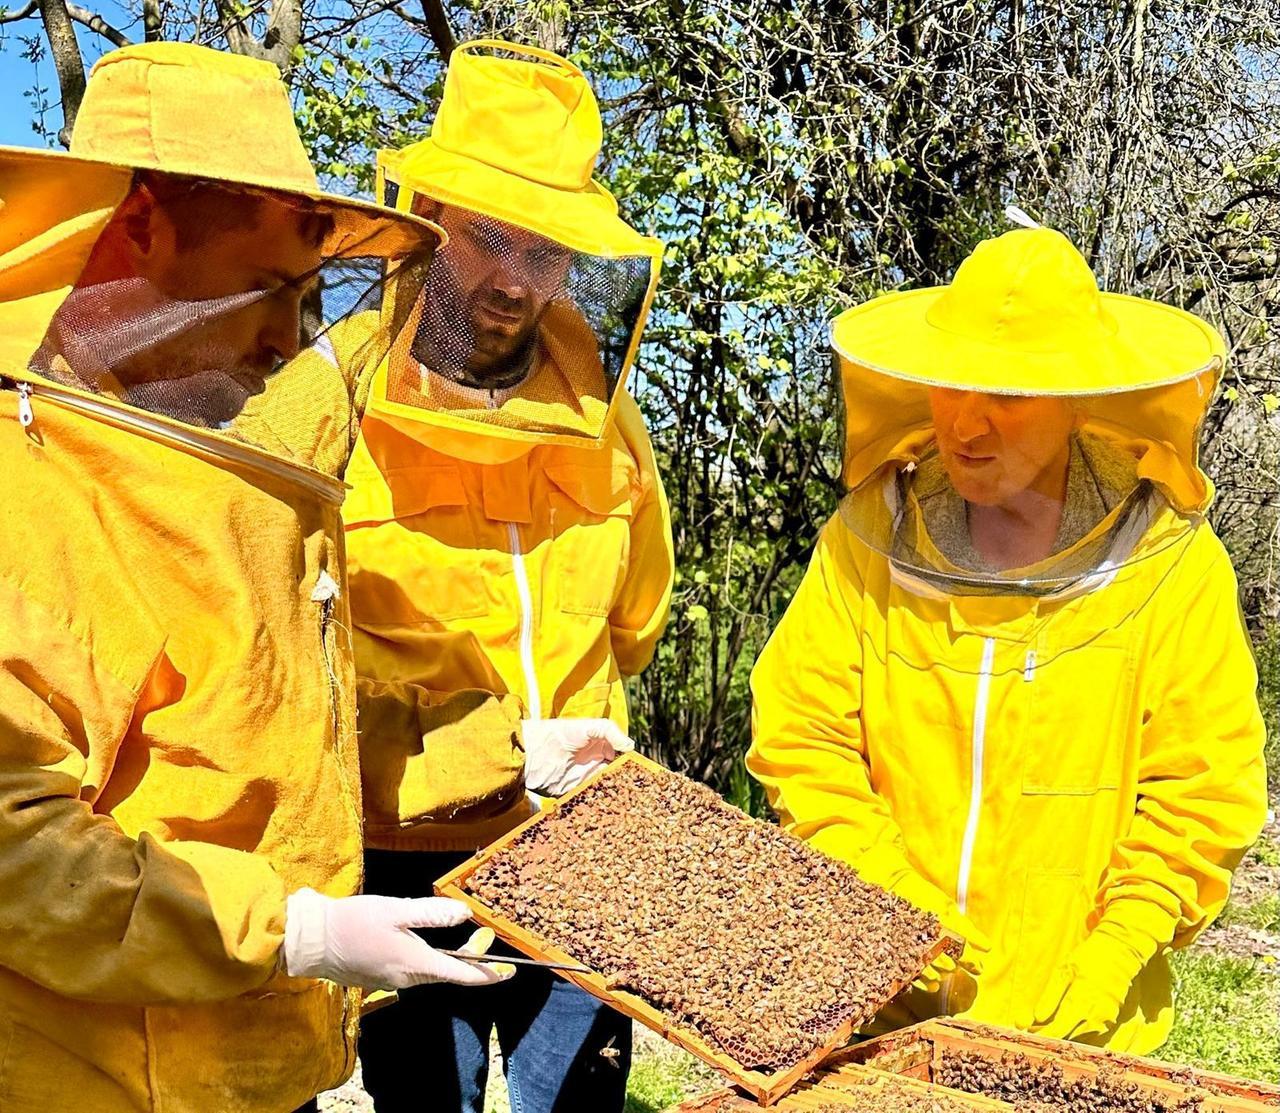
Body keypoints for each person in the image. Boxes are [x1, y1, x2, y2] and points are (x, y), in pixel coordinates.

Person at [0, 42, 515, 1113]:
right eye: (267, 287)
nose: (288, 339)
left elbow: (273, 717)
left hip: (241, 1067)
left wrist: (516, 756)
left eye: (311, 294)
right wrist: (293, 930)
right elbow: (14, 843)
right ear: (138, 226)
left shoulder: (193, 464)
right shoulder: (24, 483)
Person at [748, 215, 1269, 1053]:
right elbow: (804, 737)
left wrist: (1116, 949)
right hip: (878, 1015)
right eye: (955, 385)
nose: (967, 425)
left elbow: (1203, 786)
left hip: (1083, 1031)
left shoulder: (1171, 563)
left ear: (1075, 400)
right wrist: (892, 908)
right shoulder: (868, 536)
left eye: (1010, 395)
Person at [344, 39, 674, 1113]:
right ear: (426, 215)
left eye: (543, 249)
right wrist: (481, 746)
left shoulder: (610, 425)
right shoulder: (336, 408)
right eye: (488, 235)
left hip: (582, 846)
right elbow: (298, 660)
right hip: (408, 849)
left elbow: (635, 622)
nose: (513, 279)